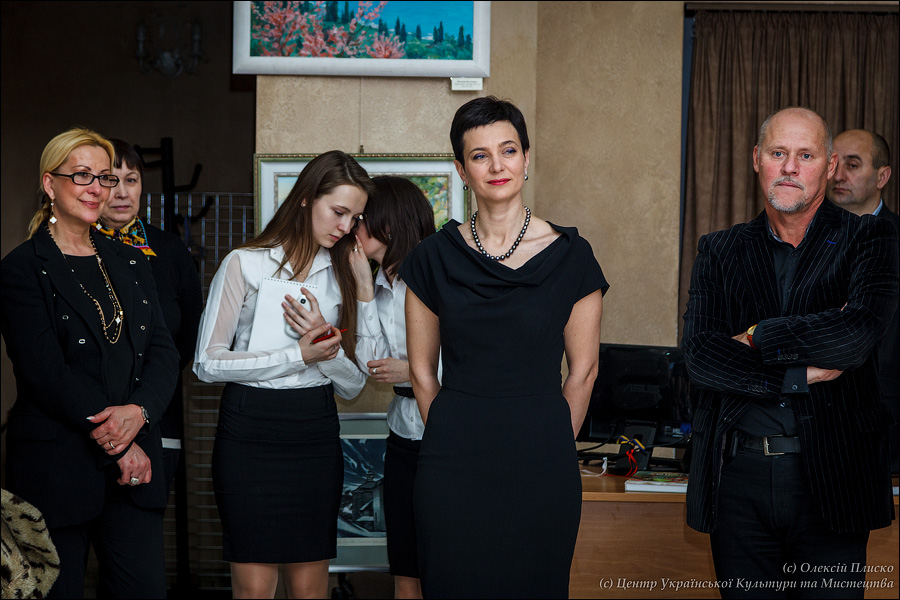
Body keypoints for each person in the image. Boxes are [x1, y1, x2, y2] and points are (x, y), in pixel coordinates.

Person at [682, 108, 898, 598]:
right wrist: (796, 374)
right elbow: (700, 357)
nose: (790, 167)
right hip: (737, 483)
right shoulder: (720, 250)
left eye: (806, 155)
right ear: (757, 159)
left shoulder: (869, 238)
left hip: (832, 480)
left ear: (829, 165)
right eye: (778, 153)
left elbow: (854, 336)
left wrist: (756, 335)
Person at [400, 96, 608, 598]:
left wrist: (551, 440)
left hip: (543, 459)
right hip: (452, 462)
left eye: (508, 150)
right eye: (480, 155)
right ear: (461, 170)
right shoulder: (431, 257)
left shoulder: (573, 257)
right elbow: (422, 372)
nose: (497, 166)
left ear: (526, 159)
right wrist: (450, 433)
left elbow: (583, 372)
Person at [0, 127, 179, 598]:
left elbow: (163, 350)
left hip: (135, 470)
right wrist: (120, 442)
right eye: (82, 175)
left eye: (104, 176)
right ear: (49, 183)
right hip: (57, 469)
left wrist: (140, 412)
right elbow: (46, 373)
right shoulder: (21, 268)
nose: (97, 188)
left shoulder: (132, 261)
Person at [193, 150, 376, 599]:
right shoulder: (244, 263)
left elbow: (354, 385)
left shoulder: (342, 275)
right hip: (248, 430)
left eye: (355, 218)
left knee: (310, 590)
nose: (345, 227)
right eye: (338, 212)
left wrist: (324, 347)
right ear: (306, 197)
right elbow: (207, 363)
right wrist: (297, 354)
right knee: (254, 590)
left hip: (314, 430)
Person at [95, 138, 203, 493]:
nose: (122, 192)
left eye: (131, 180)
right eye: (110, 180)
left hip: (156, 417)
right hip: (86, 421)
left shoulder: (170, 251)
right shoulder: (71, 250)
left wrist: (146, 398)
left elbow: (188, 335)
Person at [350, 176, 436, 599]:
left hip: (447, 433)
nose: (352, 227)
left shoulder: (440, 277)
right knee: (405, 567)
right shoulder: (379, 285)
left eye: (360, 218)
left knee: (448, 564)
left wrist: (416, 371)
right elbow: (371, 363)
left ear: (387, 222)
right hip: (402, 436)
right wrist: (365, 288)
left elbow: (479, 358)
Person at [826, 129, 899, 473]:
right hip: (817, 416)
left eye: (852, 165)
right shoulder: (803, 235)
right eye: (834, 164)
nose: (838, 176)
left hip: (889, 420)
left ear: (882, 176)